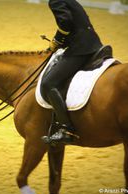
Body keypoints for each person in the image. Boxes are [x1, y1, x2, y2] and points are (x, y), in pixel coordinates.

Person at [41, 0, 103, 144]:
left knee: (48, 84)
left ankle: (66, 129)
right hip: (92, 43)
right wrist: (62, 42)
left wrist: (56, 41)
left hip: (81, 48)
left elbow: (65, 22)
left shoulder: (55, 0)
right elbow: (77, 23)